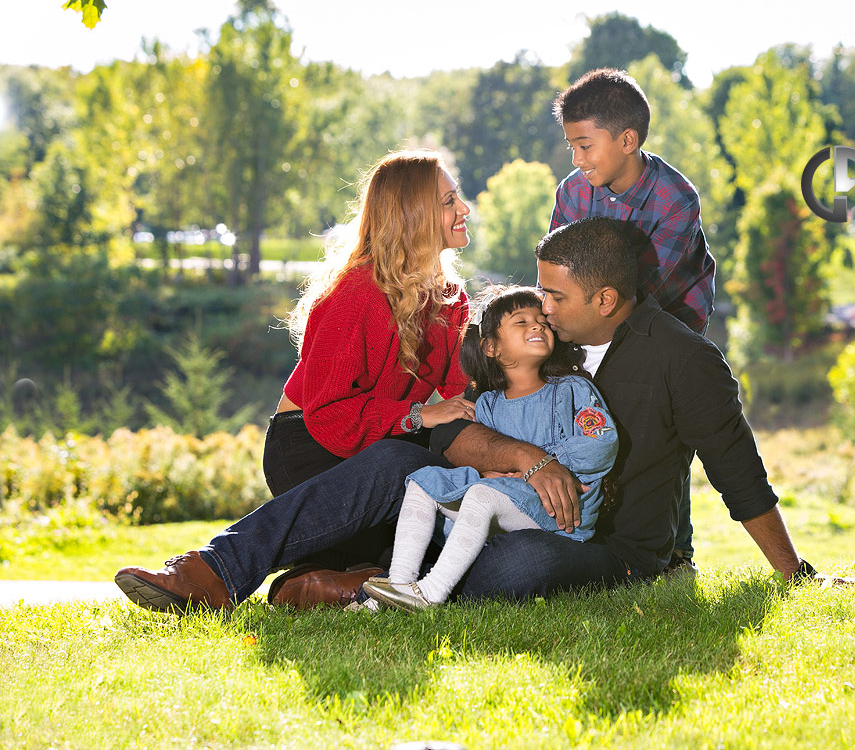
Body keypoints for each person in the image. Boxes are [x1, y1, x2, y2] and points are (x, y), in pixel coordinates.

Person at [113, 219, 818, 614]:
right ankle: (214, 571)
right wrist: (524, 457)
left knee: (524, 562)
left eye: (554, 296)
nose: (538, 308)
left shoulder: (681, 360)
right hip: (485, 498)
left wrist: (795, 574)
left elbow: (739, 474)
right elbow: (454, 423)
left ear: (605, 300)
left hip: (594, 537)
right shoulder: (539, 339)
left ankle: (364, 582)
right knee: (396, 462)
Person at [260, 149, 478, 573]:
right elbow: (328, 415)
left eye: (458, 198)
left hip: (379, 438)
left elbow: (461, 396)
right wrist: (419, 415)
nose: (463, 209)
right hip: (310, 444)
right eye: (448, 201)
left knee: (430, 557)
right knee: (404, 551)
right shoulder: (358, 294)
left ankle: (318, 575)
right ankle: (310, 572)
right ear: (412, 215)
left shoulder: (451, 300)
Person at [551, 68, 716, 575]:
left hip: (667, 313)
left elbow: (641, 296)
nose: (577, 161)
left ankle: (677, 551)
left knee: (665, 423)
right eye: (571, 148)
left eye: (585, 146)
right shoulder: (575, 192)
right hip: (594, 311)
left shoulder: (675, 199)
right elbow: (558, 261)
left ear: (627, 140)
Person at [364, 286, 617, 611]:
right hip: (508, 501)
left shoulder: (573, 390)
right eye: (521, 321)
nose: (537, 325)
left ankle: (431, 593)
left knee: (482, 495)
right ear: (491, 347)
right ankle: (399, 585)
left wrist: (540, 466)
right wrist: (488, 471)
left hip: (562, 508)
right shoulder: (485, 405)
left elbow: (602, 442)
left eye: (541, 320)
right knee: (422, 482)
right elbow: (477, 459)